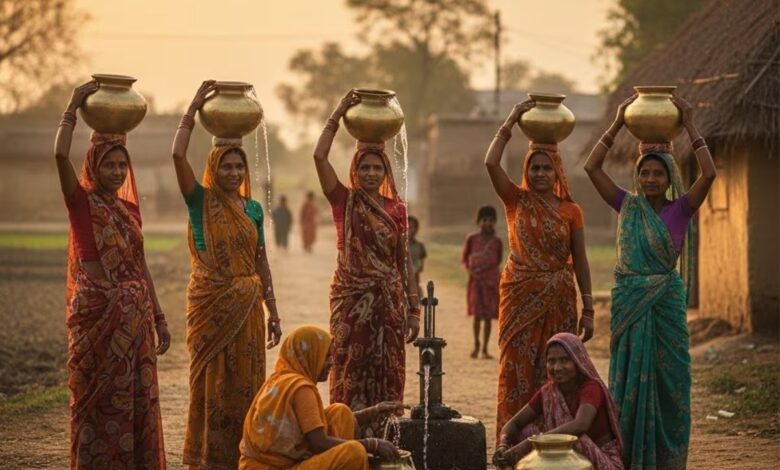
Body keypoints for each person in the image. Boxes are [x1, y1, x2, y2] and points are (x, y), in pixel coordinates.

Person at [584, 94, 716, 469]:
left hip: (666, 310)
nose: (651, 179)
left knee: (671, 386)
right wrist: (617, 124)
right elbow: (592, 168)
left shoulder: (682, 208)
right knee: (628, 390)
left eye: (659, 173)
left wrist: (690, 124)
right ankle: (631, 458)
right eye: (645, 172)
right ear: (638, 176)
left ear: (670, 175)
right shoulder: (626, 205)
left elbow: (709, 174)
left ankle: (667, 460)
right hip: (630, 307)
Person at [55, 80, 168, 468]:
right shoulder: (81, 202)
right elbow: (58, 155)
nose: (118, 171)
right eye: (109, 164)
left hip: (134, 323)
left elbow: (141, 266)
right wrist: (72, 105)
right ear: (93, 165)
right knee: (95, 402)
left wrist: (158, 316)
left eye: (123, 165)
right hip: (97, 320)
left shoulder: (130, 212)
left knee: (134, 400)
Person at [172, 80, 283, 469]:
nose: (233, 172)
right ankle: (207, 457)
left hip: (249, 307)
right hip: (209, 305)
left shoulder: (252, 209)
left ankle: (243, 455)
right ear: (213, 168)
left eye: (239, 166)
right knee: (210, 385)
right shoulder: (199, 200)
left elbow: (261, 260)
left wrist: (274, 310)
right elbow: (176, 154)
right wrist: (193, 107)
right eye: (226, 165)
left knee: (246, 385)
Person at [485, 100, 595, 440]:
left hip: (559, 300)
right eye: (534, 168)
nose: (540, 174)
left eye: (547, 168)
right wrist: (512, 118)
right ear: (526, 170)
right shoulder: (515, 200)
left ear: (557, 170)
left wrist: (589, 309)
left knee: (558, 371)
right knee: (516, 370)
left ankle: (554, 445)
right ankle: (512, 441)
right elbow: (490, 162)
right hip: (519, 298)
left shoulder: (571, 210)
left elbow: (580, 260)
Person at [314, 89, 421, 436]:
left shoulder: (397, 210)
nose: (372, 173)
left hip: (388, 305)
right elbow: (319, 156)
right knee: (348, 367)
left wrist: (414, 309)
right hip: (350, 302)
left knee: (388, 372)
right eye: (365, 167)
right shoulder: (343, 200)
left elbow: (404, 263)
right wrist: (339, 111)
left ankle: (387, 441)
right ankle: (346, 438)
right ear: (355, 170)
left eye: (377, 167)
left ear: (385, 171)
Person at [239, 325, 403, 469]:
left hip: (272, 463)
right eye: (325, 357)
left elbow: (312, 424)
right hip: (273, 467)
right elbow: (318, 442)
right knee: (355, 453)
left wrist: (374, 411)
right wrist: (371, 445)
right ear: (309, 355)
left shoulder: (281, 379)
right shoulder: (302, 389)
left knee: (341, 413)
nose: (332, 362)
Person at [493, 333, 624, 470]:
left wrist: (531, 443)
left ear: (578, 361)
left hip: (601, 459)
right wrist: (503, 445)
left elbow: (580, 425)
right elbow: (514, 423)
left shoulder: (591, 387)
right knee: (525, 431)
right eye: (551, 361)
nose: (557, 367)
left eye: (565, 360)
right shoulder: (548, 392)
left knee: (574, 440)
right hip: (566, 459)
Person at [462, 205, 503, 359]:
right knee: (477, 315)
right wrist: (472, 271)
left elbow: (498, 260)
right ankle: (476, 345)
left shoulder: (497, 241)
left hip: (491, 283)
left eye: (491, 220)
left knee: (488, 316)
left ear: (495, 221)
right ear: (478, 221)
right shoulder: (471, 239)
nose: (488, 223)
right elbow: (465, 259)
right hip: (476, 282)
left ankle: (485, 348)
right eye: (484, 220)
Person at [407, 215, 427, 296]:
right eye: (409, 227)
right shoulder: (399, 246)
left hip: (415, 279)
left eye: (413, 227)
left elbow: (421, 265)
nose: (411, 230)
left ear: (416, 230)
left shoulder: (420, 245)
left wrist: (415, 270)